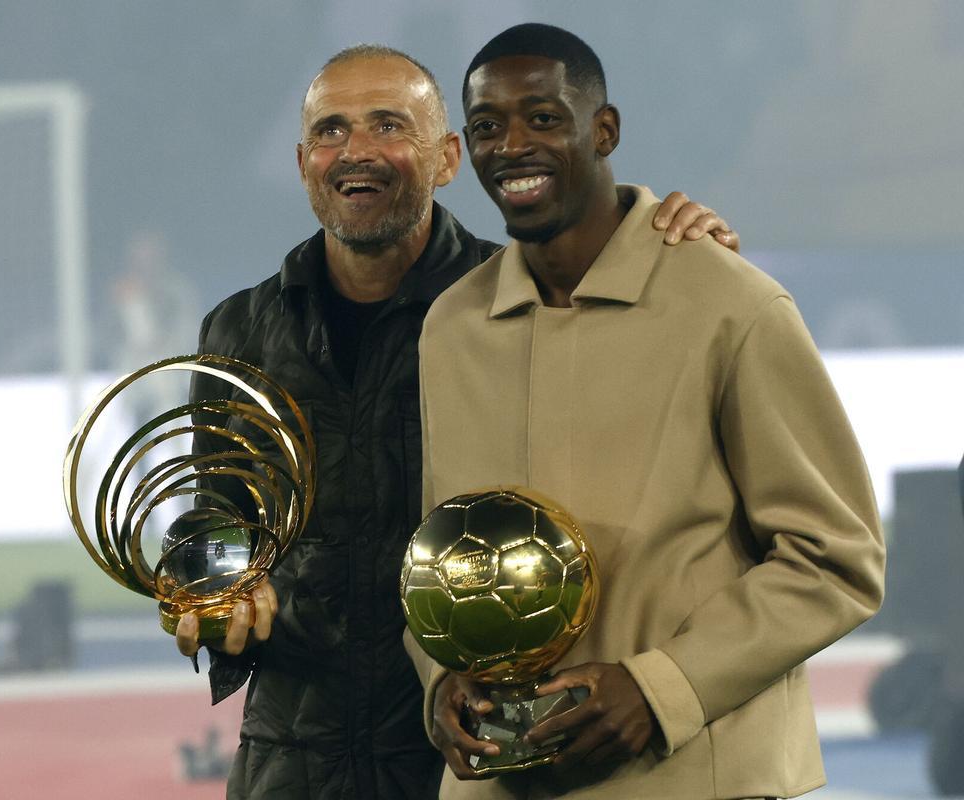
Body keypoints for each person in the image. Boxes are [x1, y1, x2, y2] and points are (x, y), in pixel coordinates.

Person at [177, 44, 739, 800]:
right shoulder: (239, 330)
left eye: (388, 127)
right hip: (290, 759)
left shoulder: (515, 306)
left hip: (473, 750)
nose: (356, 152)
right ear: (304, 160)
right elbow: (215, 516)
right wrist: (213, 583)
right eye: (332, 131)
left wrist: (678, 245)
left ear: (446, 159)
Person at [410, 23, 886, 800]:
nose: (512, 145)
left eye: (544, 117)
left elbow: (836, 559)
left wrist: (661, 689)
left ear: (605, 130)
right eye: (488, 126)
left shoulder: (731, 305)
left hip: (692, 777)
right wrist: (441, 679)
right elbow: (439, 554)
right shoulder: (453, 326)